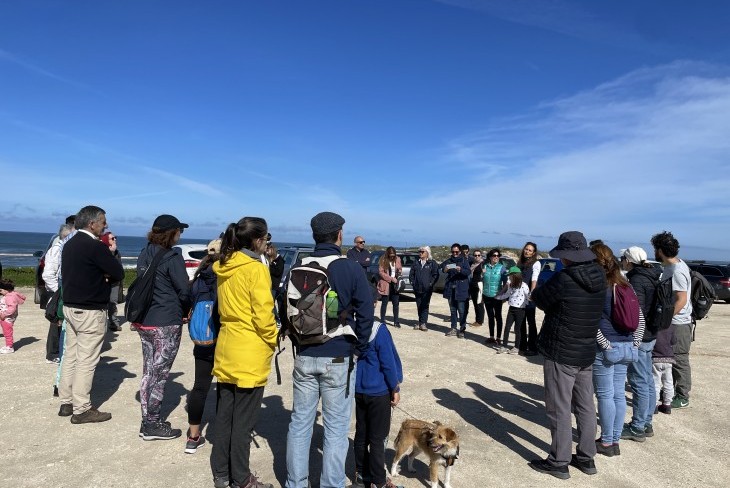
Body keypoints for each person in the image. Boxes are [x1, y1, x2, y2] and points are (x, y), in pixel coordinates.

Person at [284, 211, 373, 488]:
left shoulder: (299, 266)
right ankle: (331, 484)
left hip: (305, 354)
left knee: (299, 424)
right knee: (335, 429)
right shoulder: (349, 267)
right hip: (338, 353)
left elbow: (285, 310)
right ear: (339, 235)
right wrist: (358, 347)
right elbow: (366, 312)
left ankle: (295, 483)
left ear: (314, 235)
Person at [529, 231, 607, 480]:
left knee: (559, 407)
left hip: (561, 349)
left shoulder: (565, 279)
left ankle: (559, 460)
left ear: (567, 256)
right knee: (585, 406)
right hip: (585, 350)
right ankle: (586, 456)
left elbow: (540, 299)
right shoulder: (601, 278)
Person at [210, 217, 277, 488]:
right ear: (258, 240)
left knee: (225, 414)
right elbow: (263, 314)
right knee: (243, 421)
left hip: (227, 344)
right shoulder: (255, 269)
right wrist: (272, 338)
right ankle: (241, 477)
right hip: (249, 347)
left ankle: (221, 473)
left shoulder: (224, 264)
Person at [58, 205, 124, 424]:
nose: (105, 225)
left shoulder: (69, 243)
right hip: (90, 309)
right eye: (103, 221)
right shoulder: (95, 246)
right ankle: (82, 408)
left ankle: (67, 401)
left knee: (70, 355)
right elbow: (118, 272)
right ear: (91, 223)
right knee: (87, 360)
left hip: (70, 306)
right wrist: (107, 266)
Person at [134, 214, 191, 440]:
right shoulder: (171, 256)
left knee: (149, 369)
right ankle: (152, 424)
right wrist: (187, 308)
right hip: (166, 322)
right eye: (179, 231)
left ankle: (147, 418)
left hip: (145, 320)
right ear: (171, 233)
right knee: (159, 373)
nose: (181, 234)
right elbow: (184, 290)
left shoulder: (144, 252)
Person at [590, 243, 643, 457]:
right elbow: (640, 319)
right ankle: (615, 439)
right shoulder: (625, 285)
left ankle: (606, 442)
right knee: (618, 394)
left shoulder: (599, 286)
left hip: (608, 348)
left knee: (605, 395)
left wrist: (604, 344)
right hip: (628, 346)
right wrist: (635, 343)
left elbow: (591, 321)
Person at [351, 321, 404, 488]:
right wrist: (394, 387)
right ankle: (379, 481)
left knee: (361, 433)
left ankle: (361, 474)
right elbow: (387, 361)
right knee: (377, 438)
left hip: (358, 388)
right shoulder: (378, 329)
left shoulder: (352, 324)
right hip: (378, 390)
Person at [620, 246, 661, 442]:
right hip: (651, 334)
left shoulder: (637, 279)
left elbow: (636, 312)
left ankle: (637, 427)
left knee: (638, 382)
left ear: (629, 260)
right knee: (647, 379)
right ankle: (646, 422)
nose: (621, 261)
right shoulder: (652, 274)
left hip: (641, 336)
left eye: (623, 258)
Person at [184, 239, 220, 455]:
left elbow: (186, 303)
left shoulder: (197, 279)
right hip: (224, 338)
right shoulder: (224, 277)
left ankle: (193, 436)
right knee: (226, 389)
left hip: (202, 340)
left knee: (200, 386)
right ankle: (223, 435)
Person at [651, 231, 693, 409]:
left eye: (655, 249)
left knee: (679, 359)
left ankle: (682, 396)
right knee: (670, 359)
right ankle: (669, 391)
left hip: (680, 323)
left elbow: (681, 299)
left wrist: (665, 319)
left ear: (660, 250)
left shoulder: (677, 270)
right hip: (675, 322)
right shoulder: (673, 265)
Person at [42, 222, 74, 363]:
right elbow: (48, 274)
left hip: (62, 290)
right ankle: (53, 353)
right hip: (57, 291)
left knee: (63, 322)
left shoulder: (66, 248)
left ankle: (61, 351)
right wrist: (58, 292)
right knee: (56, 322)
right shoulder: (57, 249)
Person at [495, 267, 529, 354]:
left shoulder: (524, 286)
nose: (509, 278)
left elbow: (528, 296)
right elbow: (506, 295)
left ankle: (516, 347)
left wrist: (533, 299)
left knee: (517, 329)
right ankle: (504, 346)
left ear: (515, 276)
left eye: (510, 276)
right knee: (507, 328)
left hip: (520, 310)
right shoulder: (511, 285)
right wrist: (497, 297)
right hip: (511, 309)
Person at [440, 243, 471, 338]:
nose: (455, 253)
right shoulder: (449, 261)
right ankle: (453, 328)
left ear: (460, 252)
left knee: (462, 311)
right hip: (451, 289)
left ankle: (462, 329)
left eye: (457, 252)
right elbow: (442, 268)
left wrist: (460, 270)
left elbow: (468, 272)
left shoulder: (464, 260)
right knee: (453, 310)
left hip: (461, 289)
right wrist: (444, 270)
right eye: (453, 252)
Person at [517, 242, 541, 356]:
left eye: (530, 250)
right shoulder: (520, 262)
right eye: (526, 249)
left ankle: (533, 347)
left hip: (529, 297)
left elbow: (534, 279)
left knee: (531, 322)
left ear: (534, 253)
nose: (527, 251)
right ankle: (522, 345)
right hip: (518, 297)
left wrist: (532, 293)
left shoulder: (536, 263)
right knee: (521, 321)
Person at [409, 246, 439, 331]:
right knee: (419, 305)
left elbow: (435, 275)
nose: (420, 253)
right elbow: (412, 274)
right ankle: (420, 322)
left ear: (427, 253)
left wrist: (431, 284)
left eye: (422, 252)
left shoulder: (432, 263)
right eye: (419, 251)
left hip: (427, 289)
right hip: (417, 288)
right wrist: (412, 282)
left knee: (425, 305)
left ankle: (423, 323)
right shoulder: (416, 262)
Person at [481, 248, 508, 346]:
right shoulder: (485, 266)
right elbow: (481, 280)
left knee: (498, 316)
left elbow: (506, 283)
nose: (496, 257)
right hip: (486, 295)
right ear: (490, 257)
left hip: (497, 296)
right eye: (494, 255)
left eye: (497, 255)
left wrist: (503, 295)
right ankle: (492, 337)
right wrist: (482, 273)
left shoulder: (502, 268)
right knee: (490, 317)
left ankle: (498, 338)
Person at [100, 231, 123, 332]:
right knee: (103, 302)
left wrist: (113, 252)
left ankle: (114, 322)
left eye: (115, 238)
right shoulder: (102, 250)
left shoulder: (117, 252)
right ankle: (102, 323)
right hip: (103, 281)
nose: (115, 240)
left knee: (113, 302)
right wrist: (111, 253)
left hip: (114, 281)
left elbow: (117, 266)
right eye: (112, 238)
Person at [652, 319, 676, 415]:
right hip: (668, 359)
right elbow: (674, 341)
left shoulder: (653, 326)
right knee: (668, 382)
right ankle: (667, 404)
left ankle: (654, 405)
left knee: (655, 383)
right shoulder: (671, 325)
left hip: (655, 359)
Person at [377, 246, 402, 328]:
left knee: (396, 304)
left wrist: (399, 273)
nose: (392, 256)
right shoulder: (383, 259)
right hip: (386, 284)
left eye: (393, 255)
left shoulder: (398, 259)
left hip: (395, 285)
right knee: (384, 303)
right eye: (390, 255)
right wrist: (391, 279)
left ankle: (396, 321)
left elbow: (400, 268)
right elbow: (381, 272)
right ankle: (382, 320)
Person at [0, 279, 26, 354]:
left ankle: (9, 347)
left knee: (7, 332)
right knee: (6, 332)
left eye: (1, 290)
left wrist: (4, 314)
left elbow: (12, 308)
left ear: (7, 289)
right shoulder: (12, 294)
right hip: (7, 317)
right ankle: (8, 345)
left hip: (7, 318)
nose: (0, 292)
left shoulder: (10, 297)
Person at [468, 249, 485, 327]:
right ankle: (477, 320)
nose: (477, 256)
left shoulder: (483, 264)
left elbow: (485, 274)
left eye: (478, 255)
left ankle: (480, 321)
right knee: (475, 303)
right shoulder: (472, 263)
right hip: (472, 285)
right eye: (475, 255)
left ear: (481, 256)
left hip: (479, 286)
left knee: (479, 304)